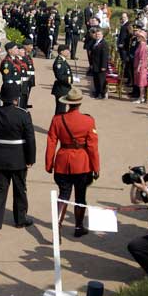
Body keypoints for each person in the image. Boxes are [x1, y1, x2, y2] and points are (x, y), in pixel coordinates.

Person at [44, 87, 100, 241]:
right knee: (80, 197)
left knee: (63, 196)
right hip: (82, 164)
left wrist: (49, 163)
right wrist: (96, 167)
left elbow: (51, 142)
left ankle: (57, 227)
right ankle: (78, 226)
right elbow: (92, 147)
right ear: (79, 103)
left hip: (62, 161)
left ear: (67, 103)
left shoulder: (57, 120)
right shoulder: (88, 121)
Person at [0, 83, 37, 238]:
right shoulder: (23, 114)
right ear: (16, 99)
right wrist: (30, 158)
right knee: (20, 188)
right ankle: (20, 219)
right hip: (18, 157)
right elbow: (30, 139)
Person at [51, 44, 73, 114]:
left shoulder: (63, 60)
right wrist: (70, 79)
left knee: (62, 109)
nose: (68, 52)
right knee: (60, 110)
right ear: (61, 52)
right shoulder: (59, 62)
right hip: (61, 88)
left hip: (64, 88)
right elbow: (60, 76)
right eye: (67, 50)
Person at [89, 27, 110, 99]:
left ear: (102, 35)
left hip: (101, 65)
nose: (97, 35)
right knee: (96, 80)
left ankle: (101, 94)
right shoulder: (95, 42)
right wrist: (91, 64)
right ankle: (97, 92)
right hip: (95, 64)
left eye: (99, 34)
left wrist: (104, 66)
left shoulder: (104, 44)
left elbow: (104, 56)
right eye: (97, 34)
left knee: (101, 81)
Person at [132, 29, 148, 104]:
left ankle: (141, 97)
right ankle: (142, 97)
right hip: (140, 66)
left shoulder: (142, 45)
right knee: (140, 82)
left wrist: (139, 67)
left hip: (141, 67)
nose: (137, 37)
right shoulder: (141, 44)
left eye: (139, 36)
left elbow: (141, 58)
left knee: (141, 83)